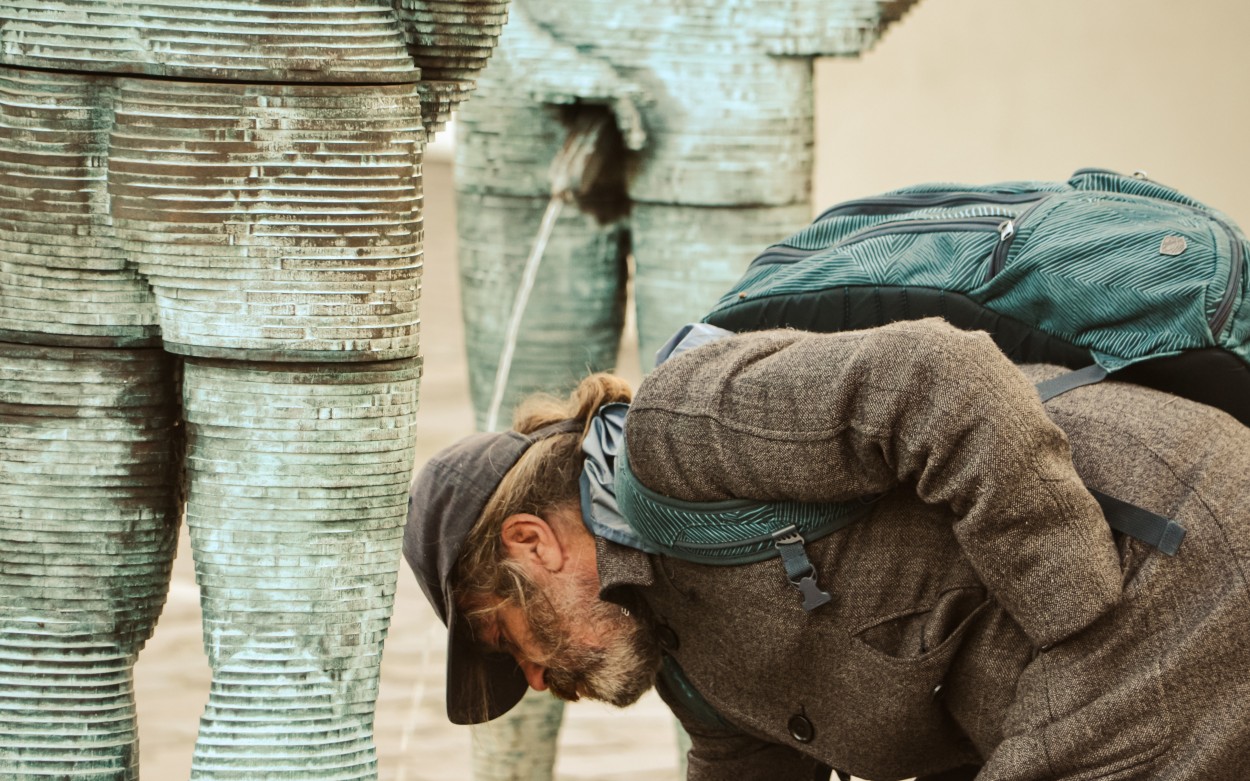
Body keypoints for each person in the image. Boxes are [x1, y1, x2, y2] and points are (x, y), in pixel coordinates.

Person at [403, 317, 1250, 781]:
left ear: (531, 541)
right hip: (1105, 643)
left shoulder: (680, 433)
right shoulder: (697, 675)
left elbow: (940, 378)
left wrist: (1076, 621)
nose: (542, 681)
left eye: (508, 637)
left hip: (1167, 553)